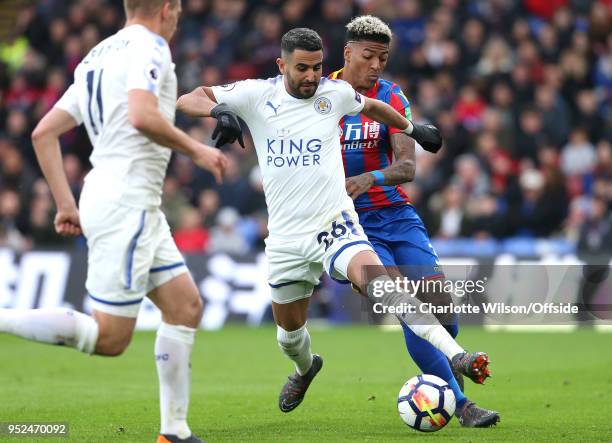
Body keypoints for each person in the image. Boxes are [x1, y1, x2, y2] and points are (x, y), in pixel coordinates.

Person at [177, 27, 490, 417]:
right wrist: (219, 110)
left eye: (317, 68)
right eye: (302, 68)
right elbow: (189, 98)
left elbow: (373, 108)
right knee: (289, 337)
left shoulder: (334, 93)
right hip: (287, 239)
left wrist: (413, 130)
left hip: (337, 226)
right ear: (282, 65)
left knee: (386, 288)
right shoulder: (257, 95)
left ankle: (459, 360)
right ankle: (306, 368)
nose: (311, 77)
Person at [0, 2, 227, 442]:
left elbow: (42, 132)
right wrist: (196, 150)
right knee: (110, 338)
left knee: (185, 306)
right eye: (177, 7)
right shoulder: (152, 48)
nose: (179, 16)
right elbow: (142, 116)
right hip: (128, 201)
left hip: (118, 196)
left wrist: (66, 205)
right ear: (166, 8)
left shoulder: (96, 56)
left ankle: (174, 432)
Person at [329, 15, 499, 427]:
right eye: (368, 56)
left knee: (444, 313)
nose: (376, 65)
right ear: (348, 53)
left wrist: (371, 176)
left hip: (397, 214)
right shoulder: (321, 95)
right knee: (407, 304)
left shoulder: (391, 96)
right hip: (352, 224)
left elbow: (407, 167)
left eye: (383, 58)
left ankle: (443, 364)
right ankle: (461, 406)